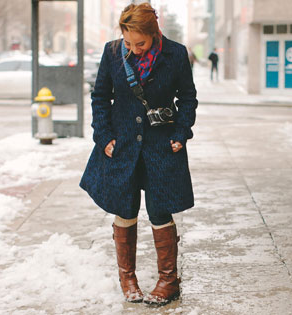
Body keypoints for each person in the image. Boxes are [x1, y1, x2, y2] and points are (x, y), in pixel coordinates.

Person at [79, 3, 197, 306]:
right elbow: (100, 97)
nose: (133, 49)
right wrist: (103, 136)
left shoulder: (176, 54)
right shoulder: (112, 52)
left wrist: (180, 133)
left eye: (140, 43)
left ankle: (168, 281)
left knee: (160, 210)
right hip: (122, 145)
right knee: (125, 208)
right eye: (128, 42)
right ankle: (127, 277)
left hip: (161, 145)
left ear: (154, 33)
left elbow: (188, 97)